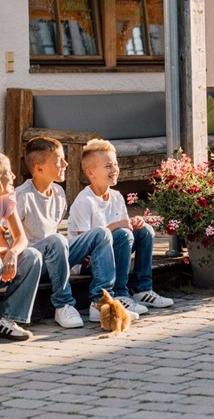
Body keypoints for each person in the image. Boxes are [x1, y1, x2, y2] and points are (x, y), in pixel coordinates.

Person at [16, 136, 117, 328]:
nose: (66, 163)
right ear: (39, 169)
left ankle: (100, 302)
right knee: (56, 240)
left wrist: (81, 254)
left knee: (101, 234)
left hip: (58, 256)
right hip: (34, 264)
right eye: (59, 160)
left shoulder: (59, 194)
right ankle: (63, 305)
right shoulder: (22, 196)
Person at [68, 139, 174, 314]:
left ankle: (143, 289)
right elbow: (85, 245)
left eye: (116, 164)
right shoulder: (84, 201)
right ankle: (119, 293)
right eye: (108, 166)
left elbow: (127, 232)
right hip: (88, 261)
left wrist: (136, 223)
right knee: (123, 234)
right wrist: (118, 225)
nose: (115, 169)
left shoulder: (116, 196)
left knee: (145, 231)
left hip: (116, 252)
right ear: (91, 173)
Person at [0, 153, 42, 340]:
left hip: (3, 263)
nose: (14, 176)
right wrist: (5, 252)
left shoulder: (6, 200)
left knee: (32, 256)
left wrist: (13, 252)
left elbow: (21, 238)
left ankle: (7, 319)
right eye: (8, 172)